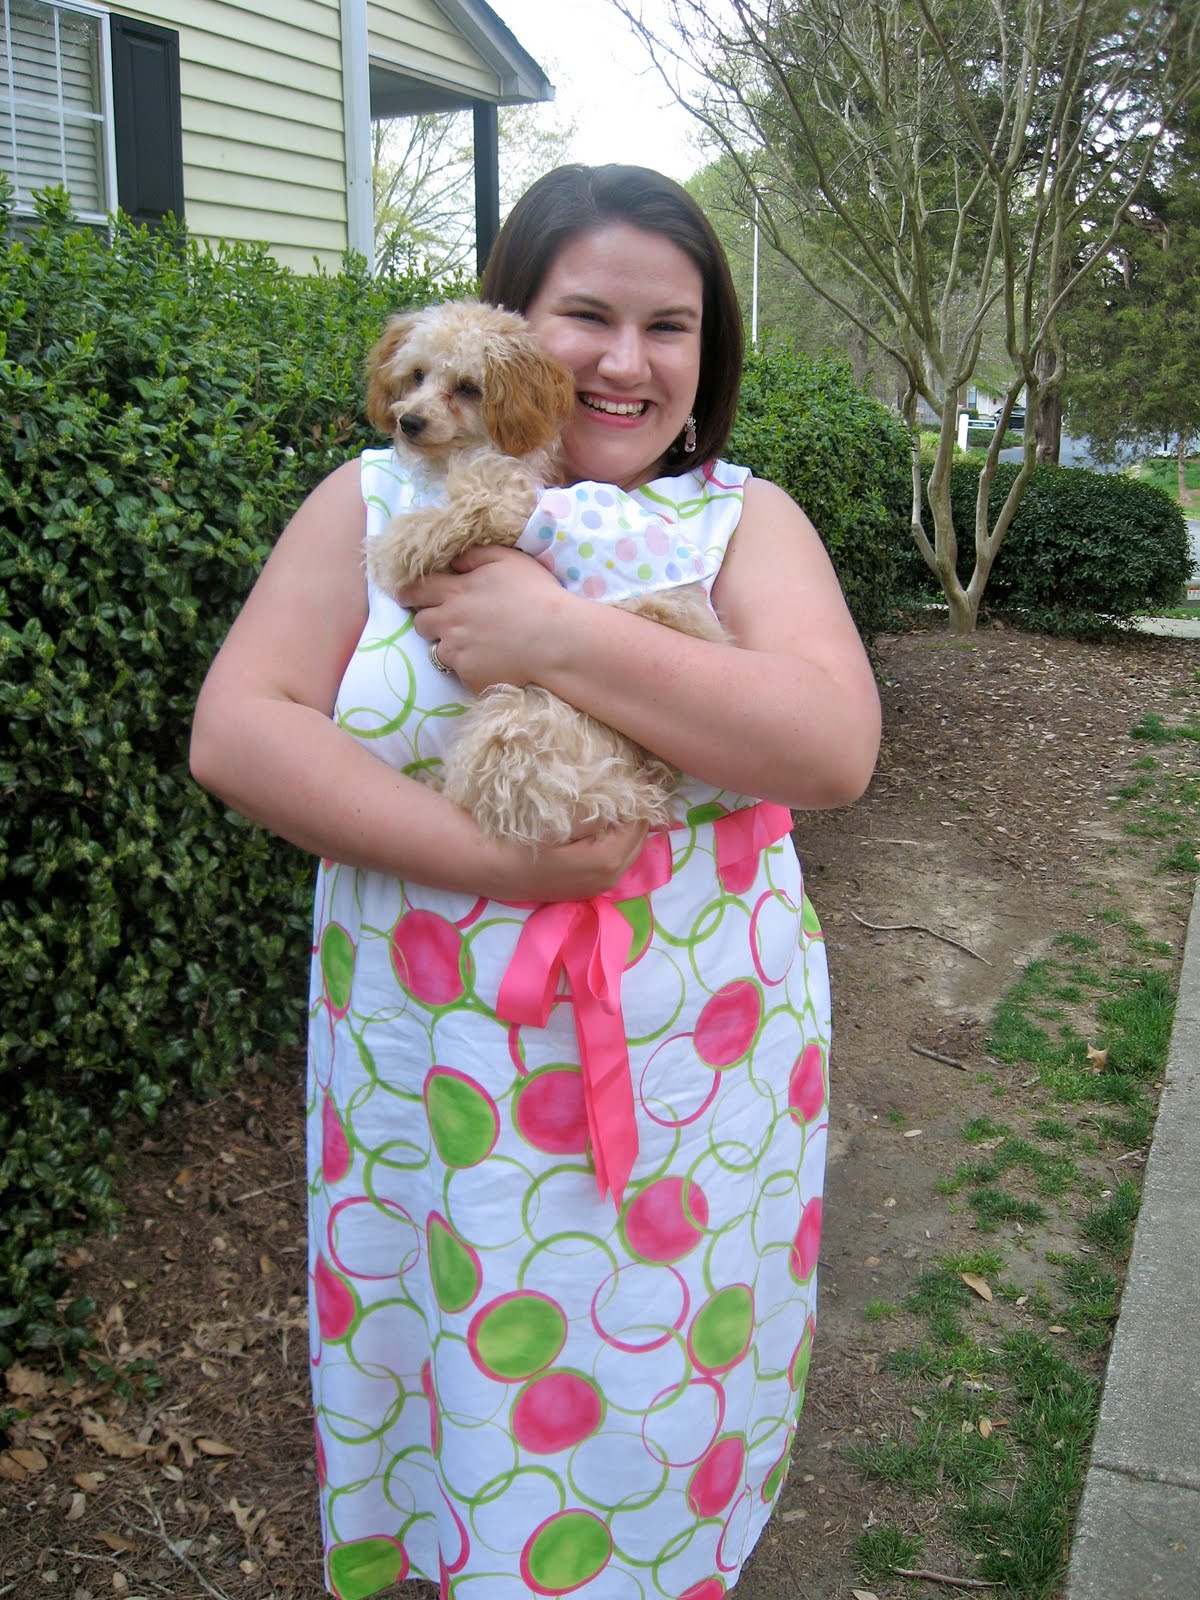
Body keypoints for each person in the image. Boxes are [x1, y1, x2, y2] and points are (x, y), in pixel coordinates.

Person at [191, 164, 880, 1600]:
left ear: (707, 354)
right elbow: (241, 730)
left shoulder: (744, 521)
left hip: (697, 1080)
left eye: (669, 325)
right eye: (588, 315)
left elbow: (831, 748)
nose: (627, 361)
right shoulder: (376, 500)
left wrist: (552, 635)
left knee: (660, 1375)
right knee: (459, 1363)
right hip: (430, 1076)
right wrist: (501, 862)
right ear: (510, 324)